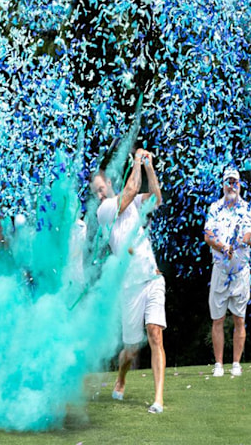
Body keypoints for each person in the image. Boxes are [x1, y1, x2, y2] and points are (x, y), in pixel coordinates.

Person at [91, 148, 166, 414]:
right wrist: (136, 162)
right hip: (129, 287)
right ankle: (121, 377)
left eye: (101, 188)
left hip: (152, 277)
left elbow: (155, 198)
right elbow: (132, 190)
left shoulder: (131, 203)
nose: (99, 194)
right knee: (131, 350)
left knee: (155, 333)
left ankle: (158, 400)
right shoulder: (104, 211)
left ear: (110, 183)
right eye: (95, 192)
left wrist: (149, 167)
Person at [204, 167, 251, 377]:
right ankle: (218, 364)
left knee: (239, 319)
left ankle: (236, 364)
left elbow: (249, 234)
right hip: (220, 271)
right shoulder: (215, 208)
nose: (231, 186)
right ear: (223, 184)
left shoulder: (247, 208)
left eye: (235, 182)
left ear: (239, 185)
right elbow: (208, 235)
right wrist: (223, 247)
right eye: (228, 182)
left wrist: (239, 242)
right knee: (217, 319)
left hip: (240, 272)